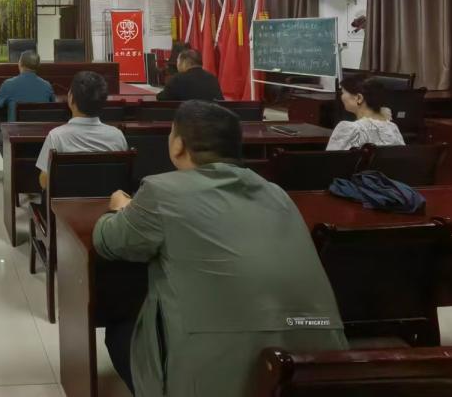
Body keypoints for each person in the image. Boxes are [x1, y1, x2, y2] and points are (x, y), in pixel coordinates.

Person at [93, 101, 347, 396]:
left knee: (122, 328)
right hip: (316, 372)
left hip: (218, 378)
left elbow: (108, 241)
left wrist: (119, 209)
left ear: (178, 145)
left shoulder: (161, 192)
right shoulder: (277, 194)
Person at [36, 70, 127, 189]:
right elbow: (122, 177)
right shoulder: (117, 136)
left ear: (71, 98)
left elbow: (45, 182)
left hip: (67, 200)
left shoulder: (56, 136)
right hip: (108, 200)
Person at [327, 75, 405, 151]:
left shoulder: (347, 129)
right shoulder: (393, 128)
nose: (341, 97)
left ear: (359, 98)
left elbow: (330, 159)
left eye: (343, 92)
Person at [0, 50, 56, 122]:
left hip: (15, 129)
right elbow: (53, 105)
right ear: (38, 65)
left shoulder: (8, 84)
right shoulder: (47, 86)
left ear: (20, 64)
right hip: (40, 129)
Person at [156, 48, 224, 101]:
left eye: (177, 62)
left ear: (185, 62)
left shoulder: (177, 79)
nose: (177, 65)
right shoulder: (212, 78)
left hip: (186, 114)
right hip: (208, 114)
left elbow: (162, 98)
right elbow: (220, 101)